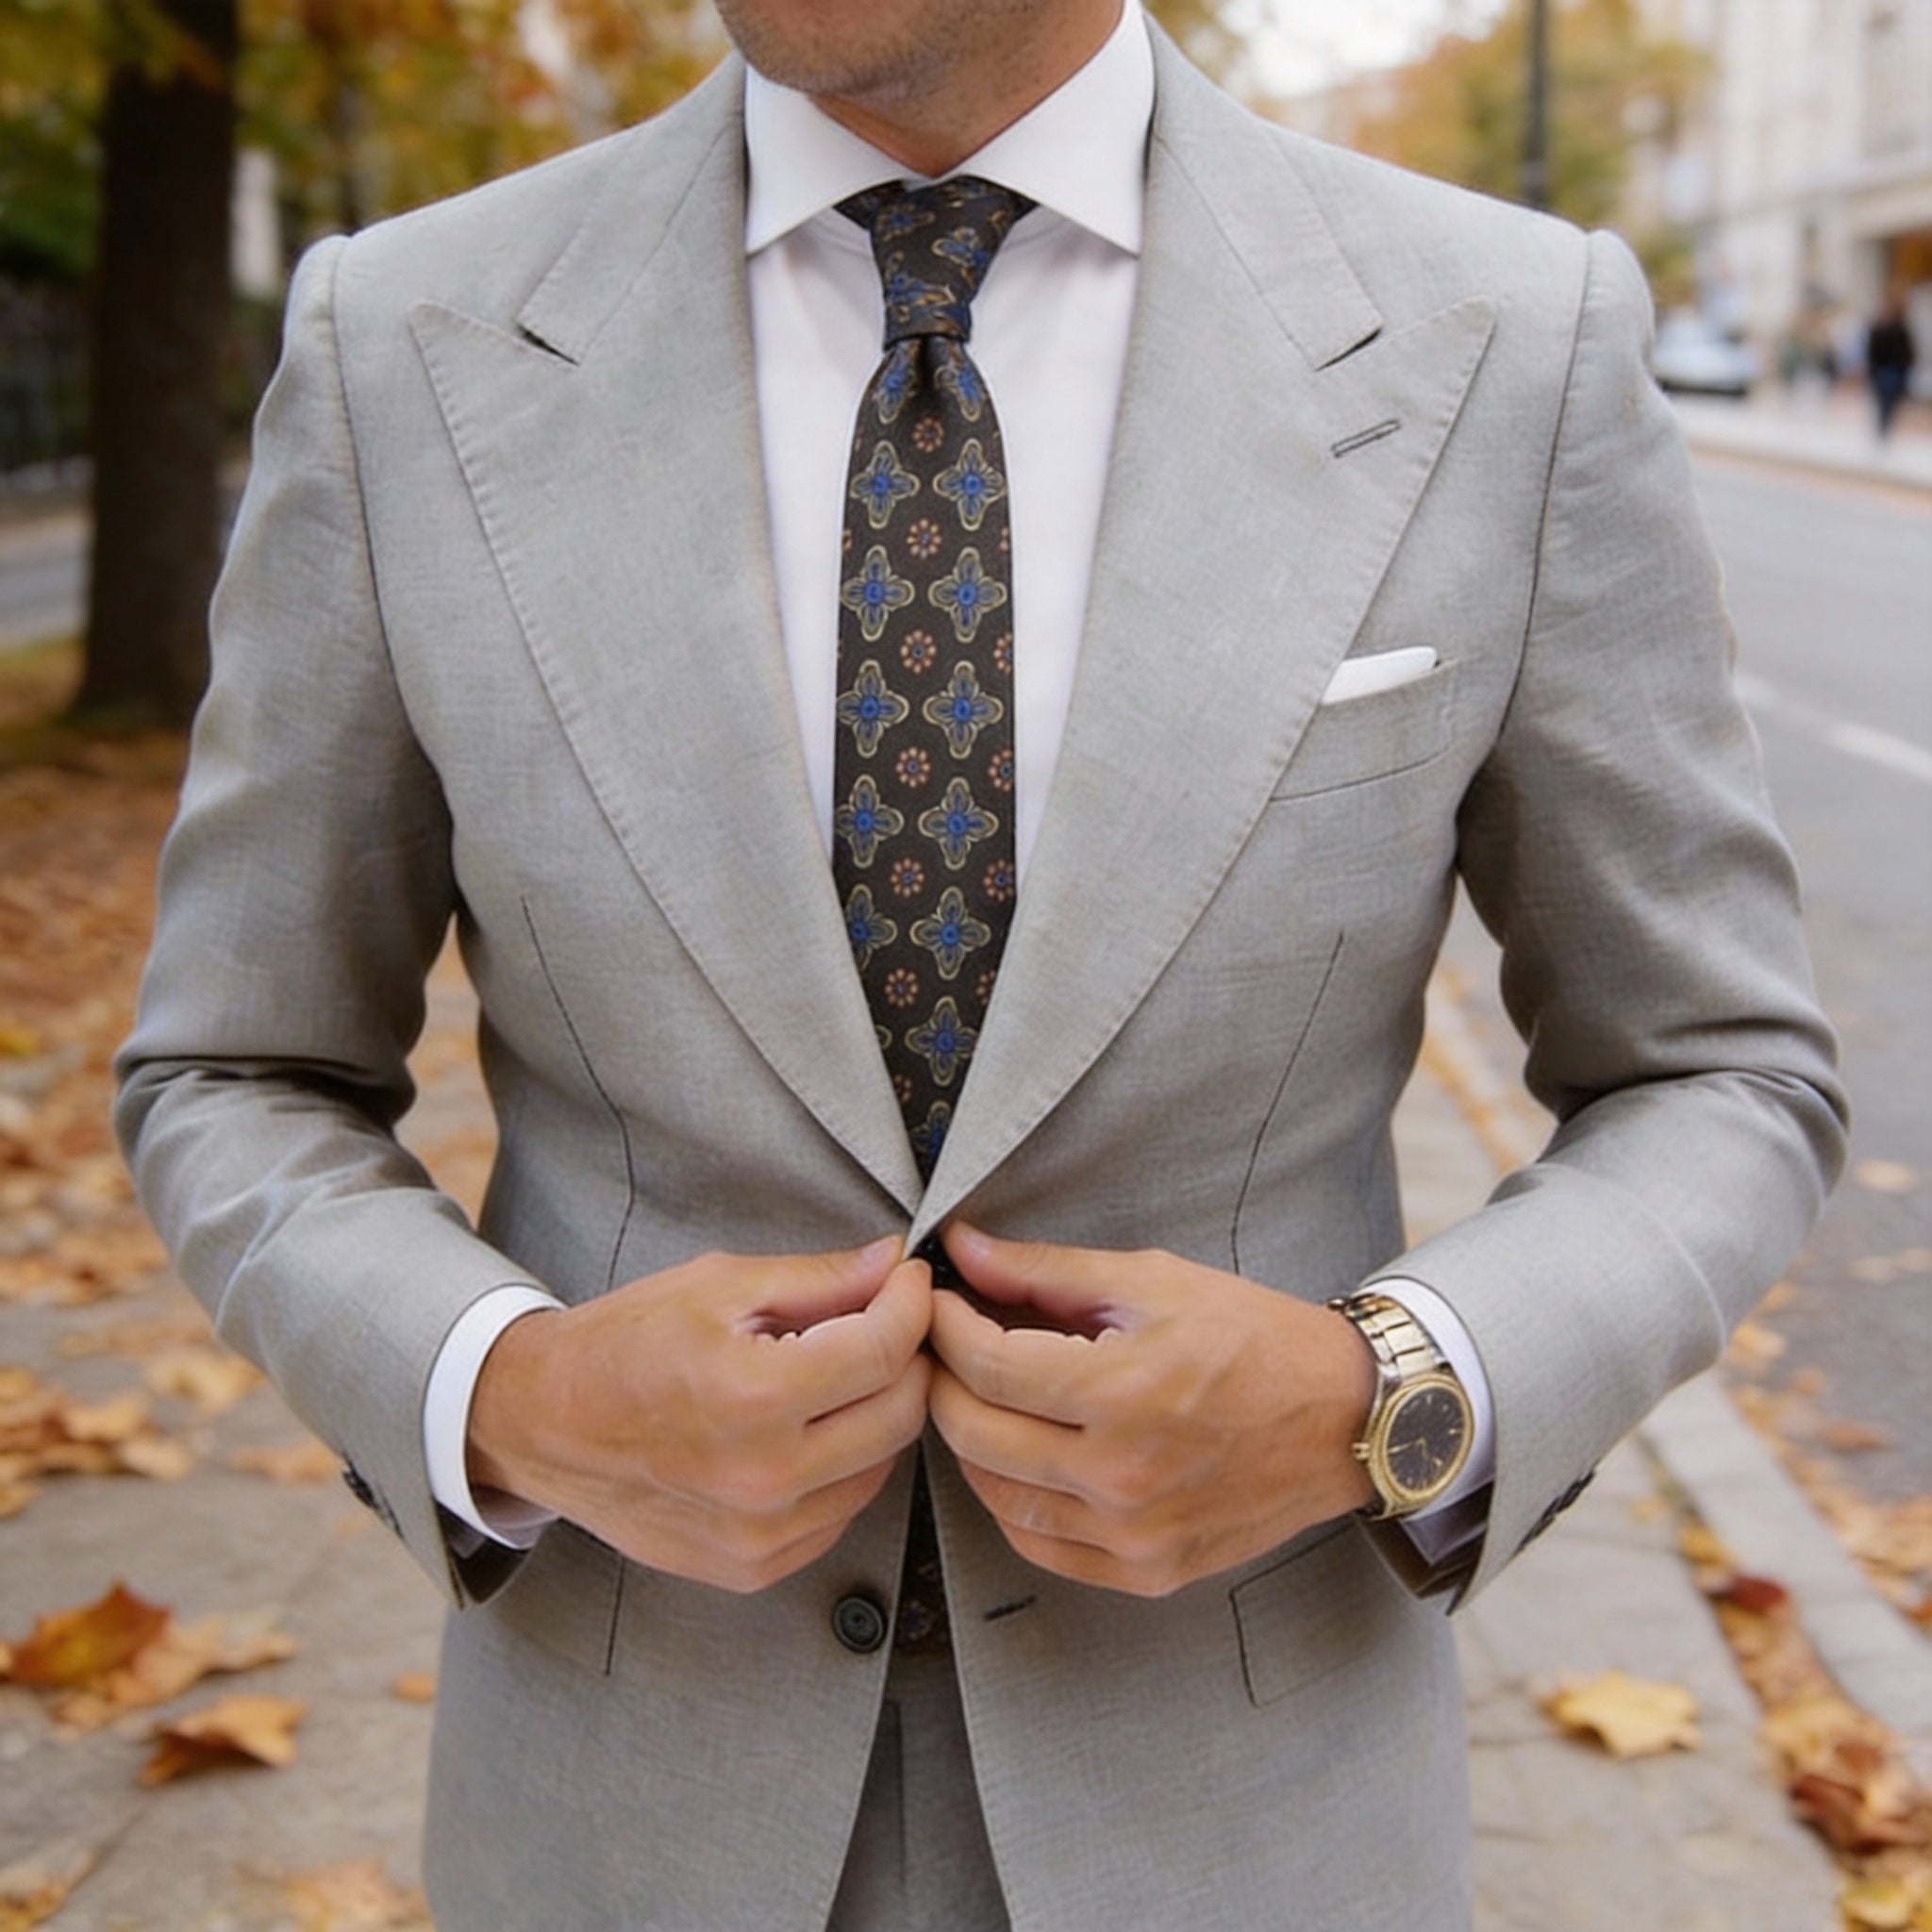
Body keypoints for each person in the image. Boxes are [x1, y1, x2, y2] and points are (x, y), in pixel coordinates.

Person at [115, 2, 1846, 1926]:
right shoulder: (403, 345)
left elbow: (1718, 1069)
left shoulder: (1506, 341)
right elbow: (234, 1064)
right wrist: (504, 1393)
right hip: (626, 1810)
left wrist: (1388, 1395)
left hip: (1249, 1809)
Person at [1868, 289, 1919, 439]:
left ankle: (1883, 429)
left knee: (1887, 402)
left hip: (1892, 370)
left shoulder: (1897, 327)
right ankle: (1882, 429)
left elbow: (1906, 352)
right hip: (1888, 370)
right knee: (1885, 402)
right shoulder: (1883, 327)